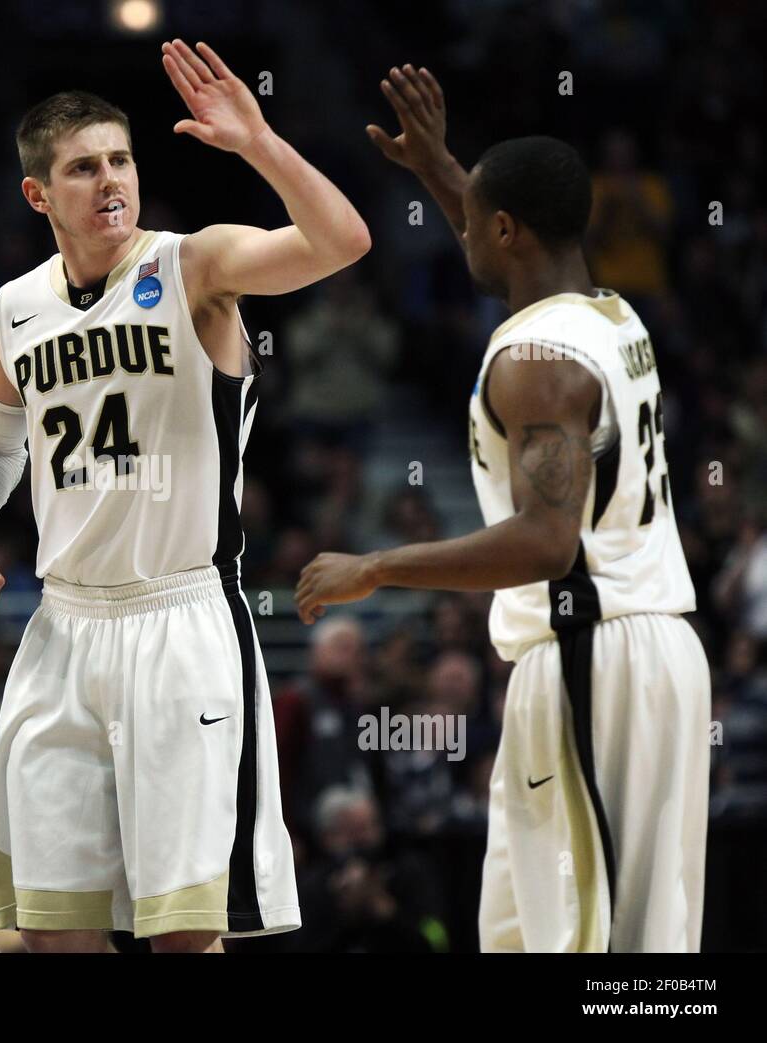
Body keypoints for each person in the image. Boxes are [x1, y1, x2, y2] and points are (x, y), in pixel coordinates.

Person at [0, 39, 370, 953]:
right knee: (55, 932)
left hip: (180, 619)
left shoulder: (194, 267)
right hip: (60, 627)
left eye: (120, 160)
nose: (109, 181)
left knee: (184, 936)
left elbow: (341, 241)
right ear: (37, 195)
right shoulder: (13, 309)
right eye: (83, 168)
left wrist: (258, 145)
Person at [297, 65, 709, 952]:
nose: (464, 235)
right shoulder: (609, 314)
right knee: (531, 935)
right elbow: (507, 244)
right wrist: (443, 169)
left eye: (476, 218)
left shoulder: (536, 361)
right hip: (629, 650)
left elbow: (545, 542)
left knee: (607, 957)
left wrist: (374, 566)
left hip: (596, 654)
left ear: (507, 228)